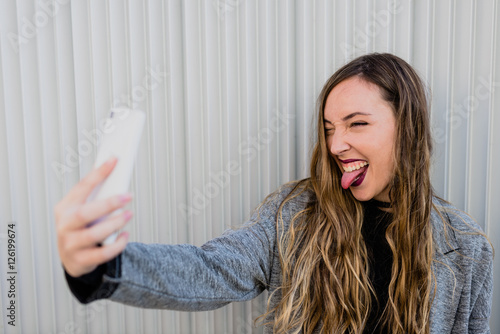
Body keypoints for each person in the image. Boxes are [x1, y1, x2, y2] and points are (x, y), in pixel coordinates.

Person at [55, 53, 493, 333]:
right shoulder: (293, 214)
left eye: (357, 124)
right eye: (329, 129)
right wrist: (104, 264)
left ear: (408, 128)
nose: (336, 144)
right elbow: (211, 270)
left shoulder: (468, 248)